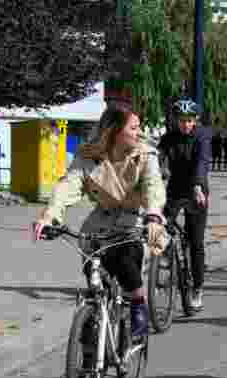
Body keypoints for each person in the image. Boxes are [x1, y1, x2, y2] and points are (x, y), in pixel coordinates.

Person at [31, 106, 168, 343]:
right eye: (133, 128)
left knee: (126, 261)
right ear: (114, 131)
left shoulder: (145, 155)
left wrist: (154, 215)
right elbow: (68, 186)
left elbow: (153, 187)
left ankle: (138, 305)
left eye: (139, 127)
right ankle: (88, 349)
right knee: (93, 279)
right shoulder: (88, 156)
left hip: (134, 221)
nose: (139, 133)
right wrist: (50, 216)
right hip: (100, 223)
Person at [157, 98, 212, 310]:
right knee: (159, 226)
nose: (185, 125)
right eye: (181, 121)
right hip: (175, 190)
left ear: (195, 120)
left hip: (196, 192)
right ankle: (161, 265)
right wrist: (157, 170)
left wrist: (198, 185)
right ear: (176, 120)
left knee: (196, 241)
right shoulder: (169, 137)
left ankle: (197, 287)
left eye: (189, 120)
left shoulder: (202, 136)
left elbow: (203, 161)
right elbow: (158, 156)